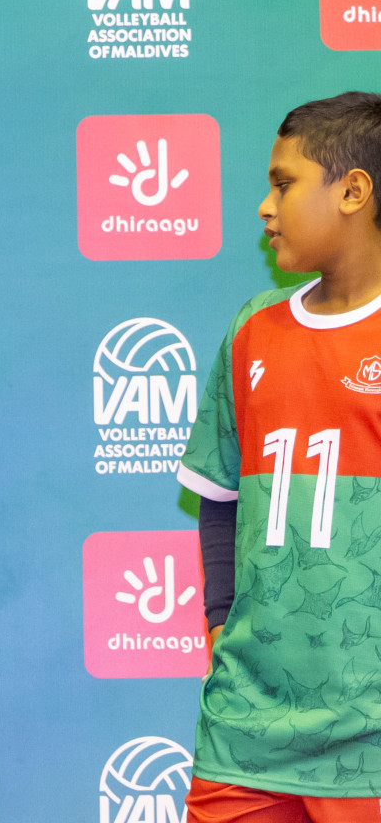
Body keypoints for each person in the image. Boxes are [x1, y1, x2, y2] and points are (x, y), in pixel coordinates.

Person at [179, 92, 381, 821]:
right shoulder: (251, 330)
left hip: (370, 742)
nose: (265, 207)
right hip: (245, 731)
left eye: (284, 182)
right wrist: (222, 628)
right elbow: (220, 500)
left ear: (354, 191)